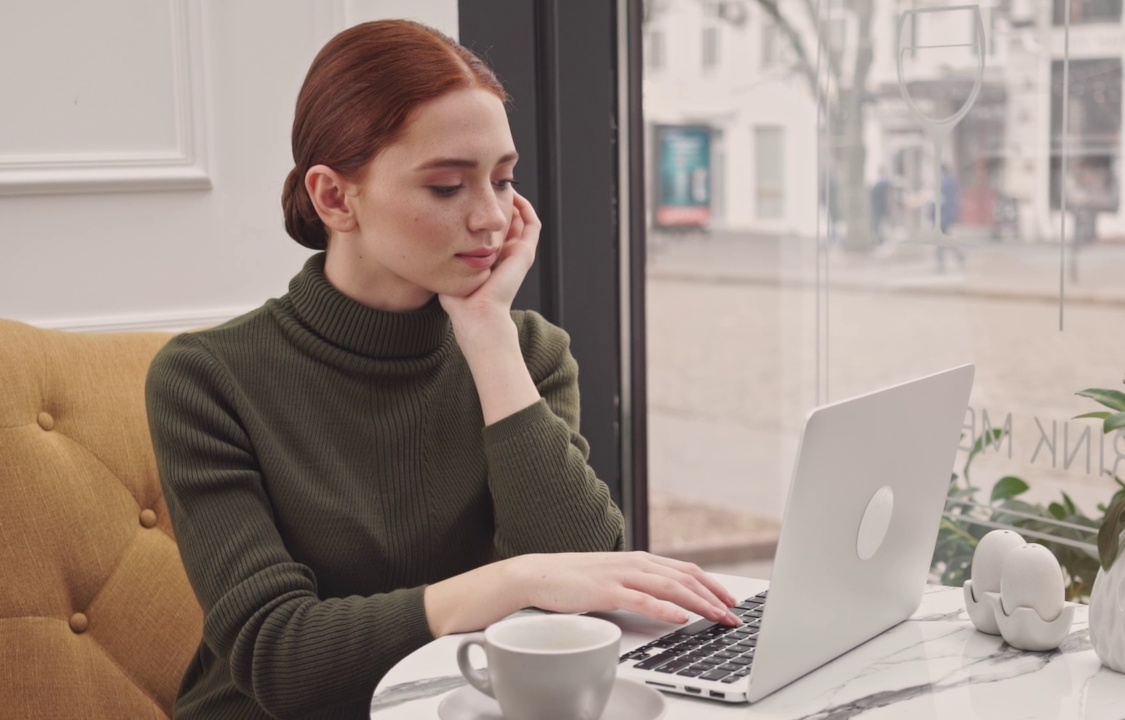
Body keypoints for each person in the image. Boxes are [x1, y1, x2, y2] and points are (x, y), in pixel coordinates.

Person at [145, 20, 739, 719]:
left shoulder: (527, 353)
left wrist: (487, 336)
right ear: (336, 197)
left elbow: (583, 585)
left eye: (503, 180)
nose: (491, 218)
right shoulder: (206, 381)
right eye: (449, 186)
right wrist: (515, 581)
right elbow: (279, 656)